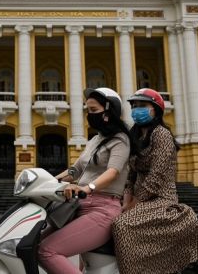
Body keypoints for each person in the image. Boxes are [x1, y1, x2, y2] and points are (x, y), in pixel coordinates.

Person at [38, 87, 135, 274]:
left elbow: (113, 172)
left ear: (108, 112)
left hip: (103, 210)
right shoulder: (95, 140)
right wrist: (46, 182)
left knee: (47, 250)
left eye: (93, 110)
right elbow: (75, 170)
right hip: (78, 206)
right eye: (87, 110)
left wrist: (89, 187)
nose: (88, 115)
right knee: (35, 243)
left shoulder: (121, 140)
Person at [113, 88, 198, 274]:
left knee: (121, 225)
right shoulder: (135, 136)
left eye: (143, 106)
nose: (137, 110)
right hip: (138, 199)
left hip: (161, 199)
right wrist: (126, 199)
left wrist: (134, 203)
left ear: (156, 109)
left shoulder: (161, 134)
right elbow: (131, 174)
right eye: (134, 106)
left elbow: (156, 175)